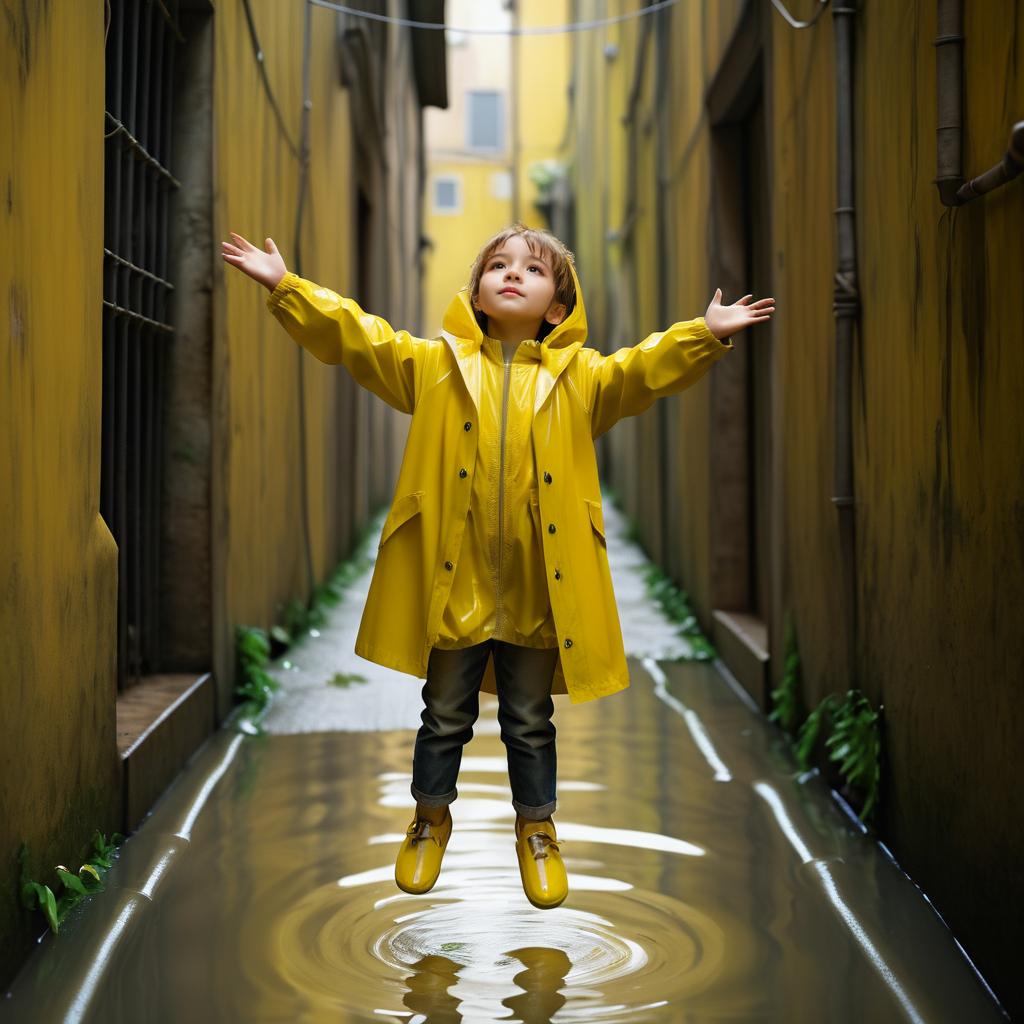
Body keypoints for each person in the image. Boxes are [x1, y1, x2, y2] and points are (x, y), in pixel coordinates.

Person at [221, 223, 774, 910]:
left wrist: (704, 333)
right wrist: (288, 288)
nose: (512, 274)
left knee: (529, 719)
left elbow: (642, 370)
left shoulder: (583, 380)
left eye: (533, 270)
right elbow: (358, 338)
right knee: (443, 713)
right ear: (477, 292)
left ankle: (537, 829)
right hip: (456, 586)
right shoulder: (435, 366)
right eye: (498, 266)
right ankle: (430, 817)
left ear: (557, 307)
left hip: (543, 591)